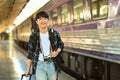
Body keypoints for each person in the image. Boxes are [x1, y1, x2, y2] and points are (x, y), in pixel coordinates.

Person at [25, 11, 64, 80]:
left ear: (48, 20)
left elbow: (61, 44)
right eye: (40, 19)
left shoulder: (54, 33)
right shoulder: (33, 36)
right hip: (39, 64)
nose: (43, 21)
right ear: (37, 22)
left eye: (45, 18)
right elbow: (30, 54)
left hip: (52, 63)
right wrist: (28, 70)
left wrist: (57, 52)